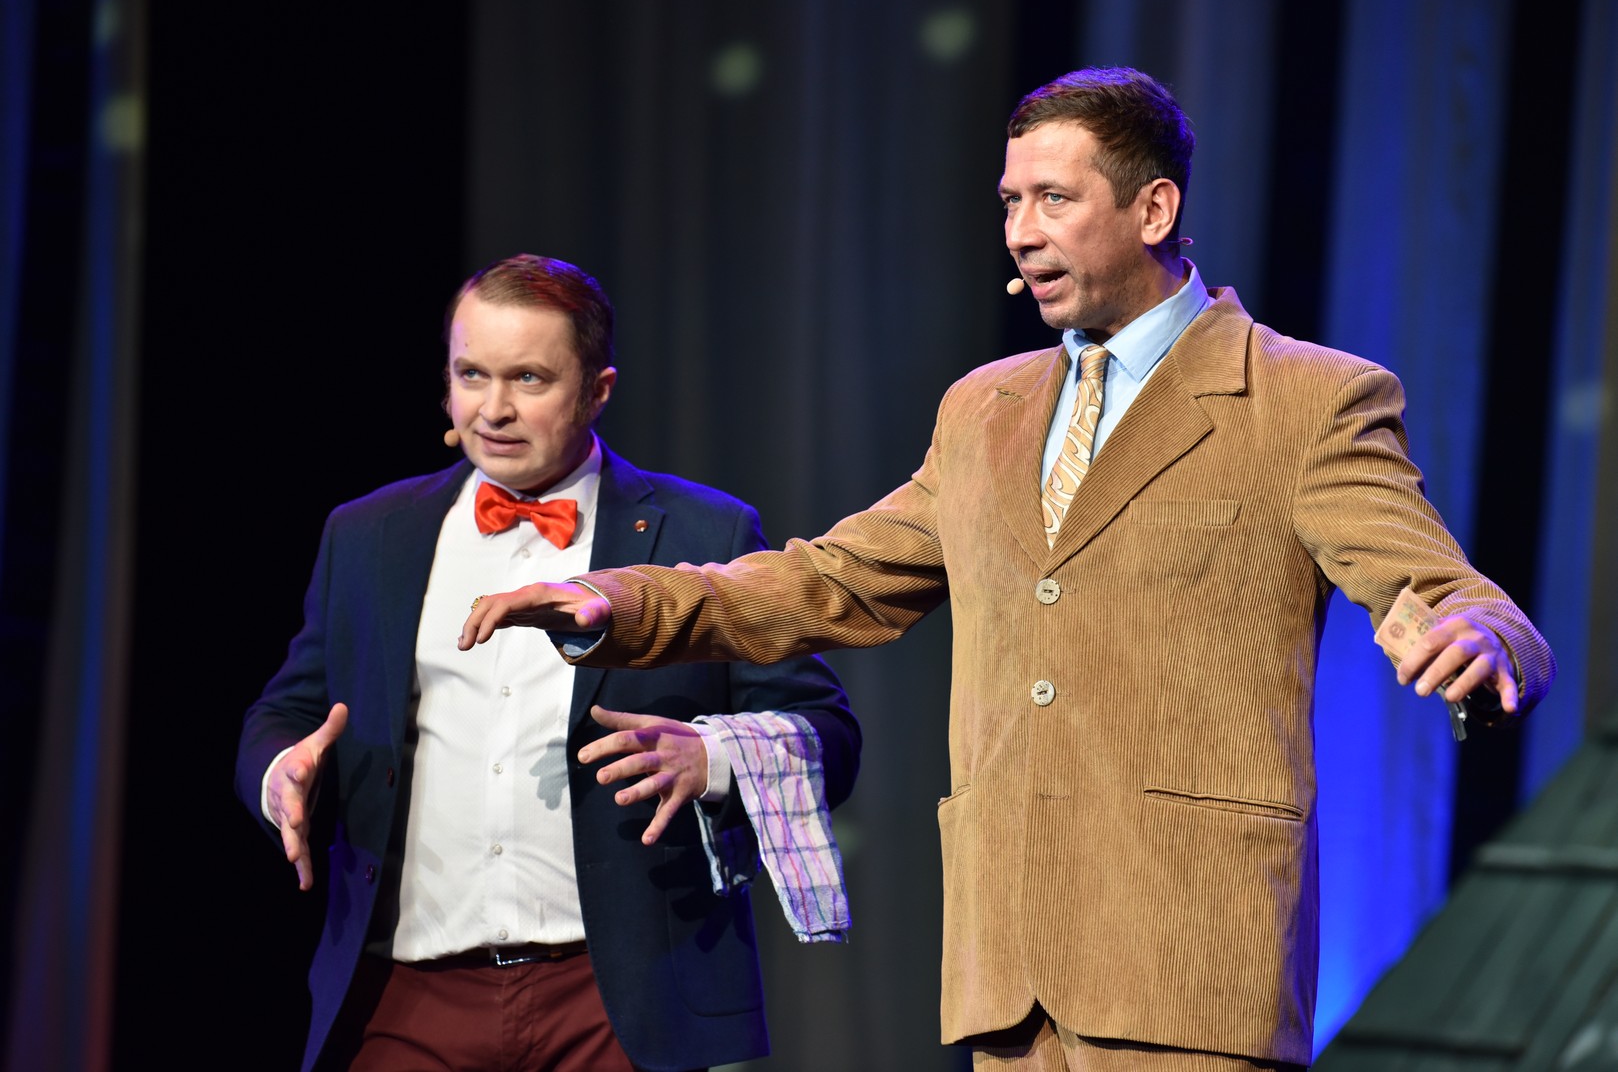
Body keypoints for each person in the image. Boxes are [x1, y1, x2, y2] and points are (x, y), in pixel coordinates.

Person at [459, 68, 1557, 1071]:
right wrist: (616, 601)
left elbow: (1435, 584)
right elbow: (831, 578)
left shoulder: (1304, 398)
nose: (1021, 232)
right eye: (1009, 202)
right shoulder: (985, 407)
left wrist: (1479, 637)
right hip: (1011, 972)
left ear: (1153, 210)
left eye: (1053, 200)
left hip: (1192, 963)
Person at [235, 254, 859, 1072]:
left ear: (598, 390)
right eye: (472, 374)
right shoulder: (368, 533)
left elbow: (828, 733)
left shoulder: (705, 531)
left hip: (619, 998)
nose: (493, 408)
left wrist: (713, 759)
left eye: (528, 378)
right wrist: (282, 771)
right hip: (407, 995)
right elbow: (287, 711)